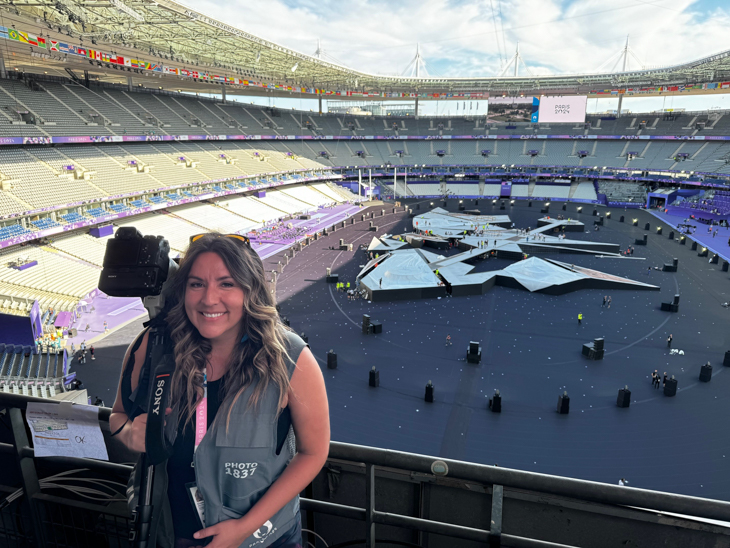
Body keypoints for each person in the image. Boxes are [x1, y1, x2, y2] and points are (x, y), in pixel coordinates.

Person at [109, 233, 330, 547]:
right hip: (170, 533)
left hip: (263, 539)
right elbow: (118, 416)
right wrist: (129, 433)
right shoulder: (153, 346)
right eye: (196, 284)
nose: (209, 299)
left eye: (227, 284)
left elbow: (314, 452)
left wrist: (244, 528)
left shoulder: (289, 356)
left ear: (250, 289)